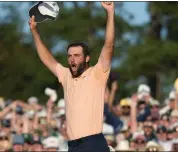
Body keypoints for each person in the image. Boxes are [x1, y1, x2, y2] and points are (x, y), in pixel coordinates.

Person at [28, 2, 115, 152]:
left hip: (93, 142)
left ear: (87, 58)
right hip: (73, 145)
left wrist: (110, 12)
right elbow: (47, 59)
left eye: (76, 55)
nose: (72, 59)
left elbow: (109, 45)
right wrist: (34, 31)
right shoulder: (66, 75)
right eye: (69, 56)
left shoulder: (97, 73)